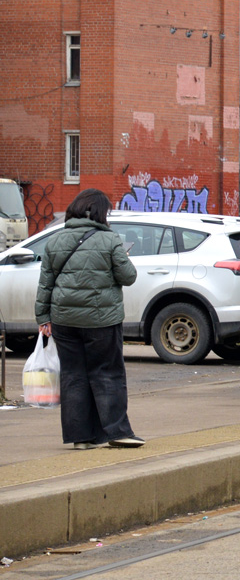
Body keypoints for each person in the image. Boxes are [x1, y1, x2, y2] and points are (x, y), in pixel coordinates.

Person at [35, 188, 144, 449]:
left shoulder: (55, 241)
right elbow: (129, 277)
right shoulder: (110, 241)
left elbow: (45, 284)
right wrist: (124, 259)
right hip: (101, 321)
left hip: (64, 321)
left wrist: (43, 317)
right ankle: (117, 432)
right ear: (99, 213)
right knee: (107, 374)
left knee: (73, 376)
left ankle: (81, 438)